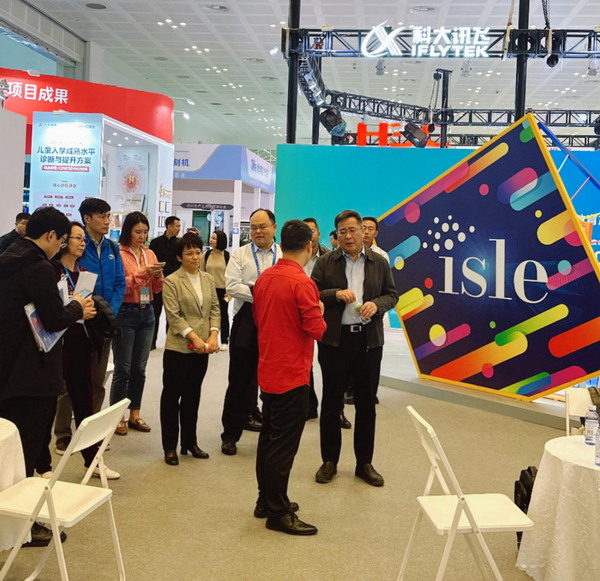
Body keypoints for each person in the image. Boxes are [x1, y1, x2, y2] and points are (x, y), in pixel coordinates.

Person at [0, 207, 95, 546]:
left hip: (8, 368)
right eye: (63, 240)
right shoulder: (38, 267)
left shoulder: (8, 256)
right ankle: (21, 528)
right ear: (51, 236)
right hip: (32, 373)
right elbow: (54, 319)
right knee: (26, 451)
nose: (62, 246)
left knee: (8, 448)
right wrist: (78, 307)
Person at [311, 210, 398, 487]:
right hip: (335, 341)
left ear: (363, 231)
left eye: (352, 230)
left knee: (366, 403)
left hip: (368, 342)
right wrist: (335, 294)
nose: (348, 236)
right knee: (331, 402)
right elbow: (312, 293)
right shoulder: (325, 262)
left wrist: (377, 305)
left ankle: (364, 463)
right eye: (342, 232)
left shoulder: (379, 262)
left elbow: (392, 295)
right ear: (336, 235)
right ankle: (329, 461)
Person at [253, 219, 326, 535]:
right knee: (283, 447)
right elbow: (317, 329)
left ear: (281, 244)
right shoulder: (303, 283)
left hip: (268, 369)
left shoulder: (265, 278)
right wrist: (321, 310)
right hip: (293, 374)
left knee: (268, 439)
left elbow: (258, 319)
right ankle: (278, 512)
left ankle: (265, 500)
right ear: (310, 246)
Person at [53, 198, 126, 453]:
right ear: (87, 218)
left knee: (96, 381)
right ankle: (63, 434)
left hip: (99, 323)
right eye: (102, 216)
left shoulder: (112, 247)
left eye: (108, 216)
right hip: (71, 326)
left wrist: (108, 312)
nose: (107, 221)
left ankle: (90, 433)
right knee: (68, 384)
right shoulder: (67, 258)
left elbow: (120, 282)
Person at [220, 208, 282, 456]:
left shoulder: (284, 254)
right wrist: (266, 292)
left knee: (273, 381)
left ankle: (272, 433)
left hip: (276, 323)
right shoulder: (240, 254)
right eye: (253, 227)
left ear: (274, 227)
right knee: (239, 380)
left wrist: (257, 289)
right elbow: (232, 286)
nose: (257, 231)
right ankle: (230, 435)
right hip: (246, 321)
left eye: (262, 226)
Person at [160, 233, 220, 466]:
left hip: (202, 348)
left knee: (193, 395)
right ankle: (169, 446)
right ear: (179, 257)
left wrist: (213, 335)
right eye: (189, 253)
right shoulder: (172, 281)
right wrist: (194, 337)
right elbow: (174, 316)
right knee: (171, 397)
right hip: (179, 348)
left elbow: (215, 309)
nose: (195, 257)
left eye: (197, 252)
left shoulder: (207, 279)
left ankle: (189, 442)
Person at [110, 211, 164, 435]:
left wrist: (157, 276)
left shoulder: (149, 253)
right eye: (137, 232)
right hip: (125, 312)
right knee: (123, 368)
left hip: (147, 311)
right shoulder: (118, 253)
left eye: (145, 232)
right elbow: (118, 285)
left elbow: (157, 289)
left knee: (139, 369)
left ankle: (135, 413)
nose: (142, 236)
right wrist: (142, 274)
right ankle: (117, 417)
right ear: (128, 232)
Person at [301, 217, 330, 422]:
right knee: (305, 363)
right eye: (305, 231)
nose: (310, 235)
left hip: (326, 314)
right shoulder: (296, 256)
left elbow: (336, 286)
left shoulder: (330, 257)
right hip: (300, 316)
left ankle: (335, 411)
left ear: (319, 233)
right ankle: (308, 406)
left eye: (312, 230)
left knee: (329, 364)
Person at [149, 215, 181, 349]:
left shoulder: (180, 243)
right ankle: (151, 343)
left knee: (172, 314)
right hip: (158, 283)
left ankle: (171, 342)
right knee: (155, 313)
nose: (179, 229)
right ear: (169, 226)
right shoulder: (155, 243)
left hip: (174, 284)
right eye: (177, 226)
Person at [201, 230, 230, 350]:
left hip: (223, 290)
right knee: (207, 314)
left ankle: (224, 340)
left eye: (214, 238)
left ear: (220, 241)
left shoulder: (227, 256)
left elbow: (230, 275)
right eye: (211, 237)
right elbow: (201, 272)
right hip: (208, 290)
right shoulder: (206, 255)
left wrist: (230, 293)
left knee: (223, 314)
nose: (211, 240)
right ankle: (209, 338)